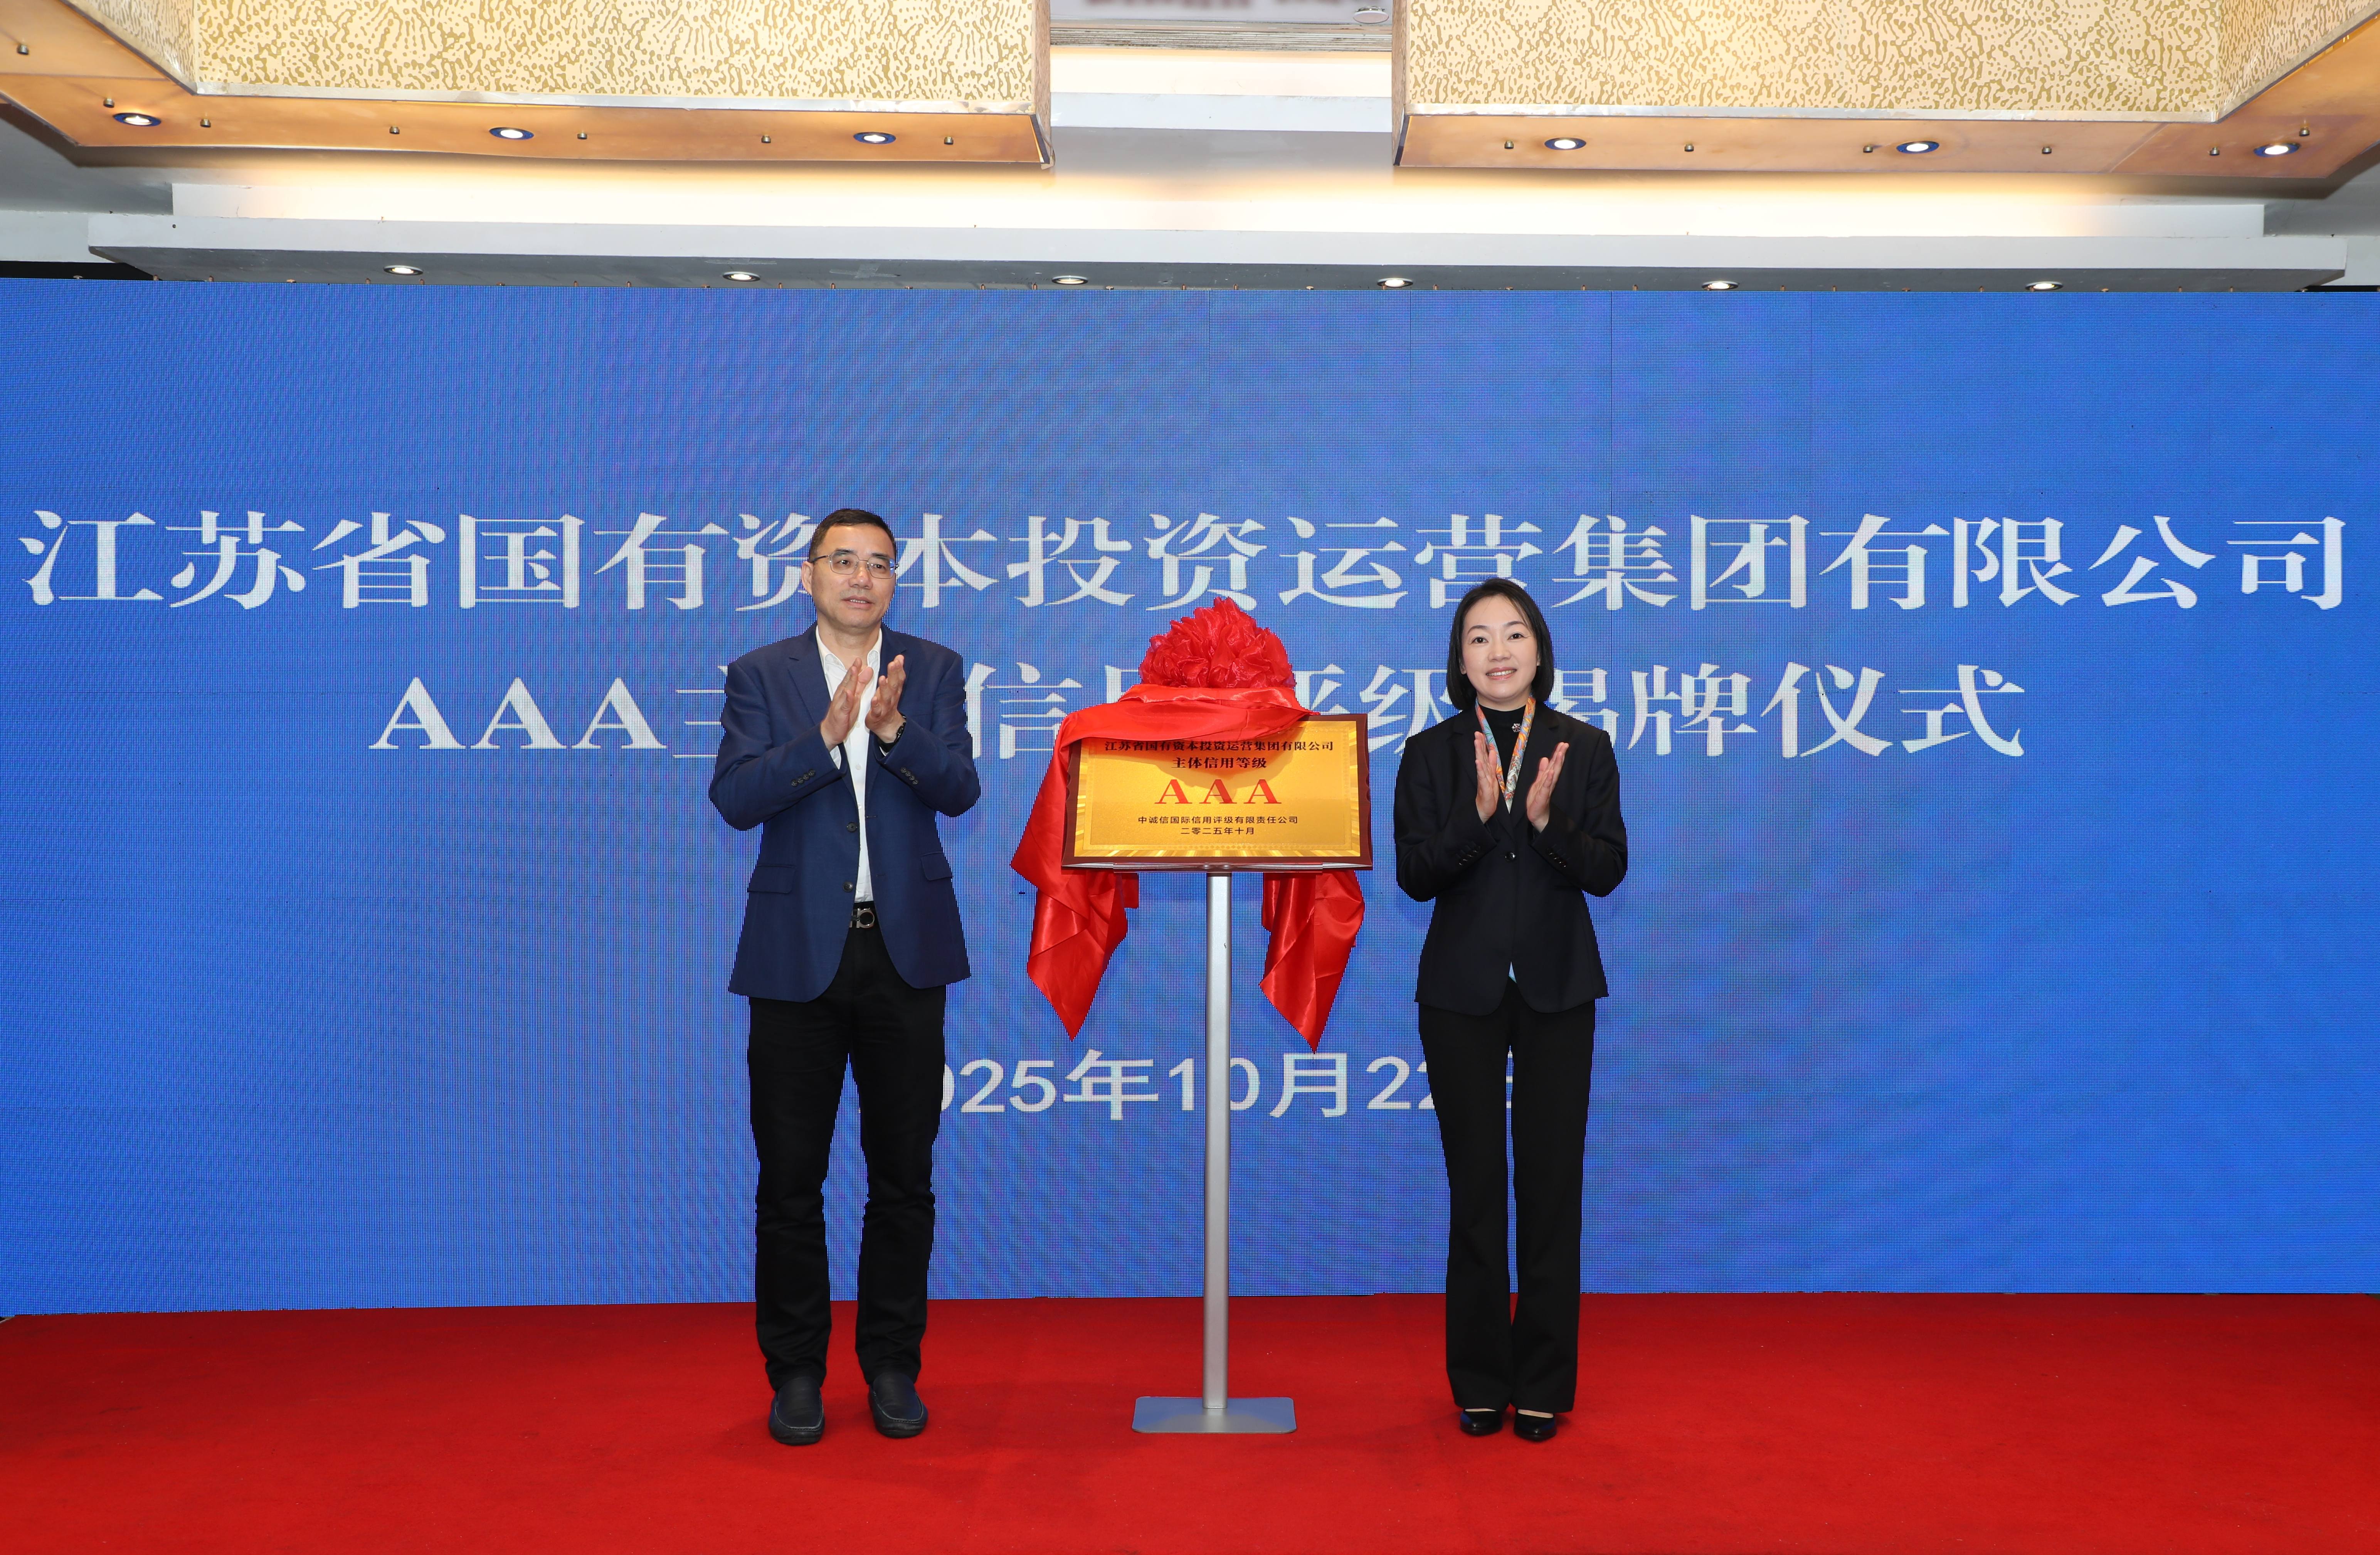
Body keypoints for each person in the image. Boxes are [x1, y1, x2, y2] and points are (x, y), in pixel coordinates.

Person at [709, 507, 980, 1446]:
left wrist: (894, 731)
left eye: (879, 564)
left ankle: (892, 1364)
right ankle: (795, 1373)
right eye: (843, 562)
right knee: (790, 1180)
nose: (862, 578)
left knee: (903, 1177)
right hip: (796, 958)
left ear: (895, 579)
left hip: (904, 955)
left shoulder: (933, 670)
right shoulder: (760, 675)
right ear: (808, 574)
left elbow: (960, 790)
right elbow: (735, 798)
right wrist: (824, 739)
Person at [1392, 576, 1627, 1444]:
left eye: (1515, 634)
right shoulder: (1429, 753)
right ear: (1460, 661)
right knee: (1477, 1190)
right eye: (1480, 637)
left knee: (1553, 1187)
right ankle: (1481, 1380)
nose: (1499, 651)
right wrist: (1482, 817)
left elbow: (1608, 868)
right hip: (1462, 991)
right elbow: (1416, 875)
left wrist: (1546, 821)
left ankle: (1544, 1384)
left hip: (1559, 987)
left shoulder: (1584, 746)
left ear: (1539, 649)